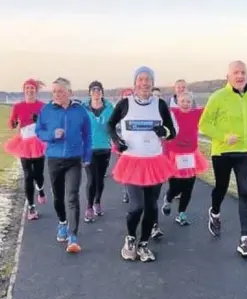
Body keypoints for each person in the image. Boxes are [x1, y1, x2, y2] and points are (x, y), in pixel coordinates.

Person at [108, 66, 176, 262]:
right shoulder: (125, 103)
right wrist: (117, 140)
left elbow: (172, 131)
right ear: (135, 83)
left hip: (154, 161)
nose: (144, 83)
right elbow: (110, 125)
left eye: (148, 79)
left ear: (153, 83)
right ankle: (130, 239)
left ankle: (144, 243)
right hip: (132, 161)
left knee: (151, 207)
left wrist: (164, 132)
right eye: (141, 79)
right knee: (136, 206)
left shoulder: (160, 104)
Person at [199, 61, 247, 258]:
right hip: (223, 151)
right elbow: (204, 125)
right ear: (228, 76)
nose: (240, 75)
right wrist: (224, 136)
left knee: (245, 191)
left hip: (246, 151)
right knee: (222, 187)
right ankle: (215, 212)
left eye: (243, 72)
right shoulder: (218, 97)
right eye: (236, 72)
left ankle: (245, 239)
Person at [36, 77, 92, 253]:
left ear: (69, 92)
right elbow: (39, 132)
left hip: (74, 159)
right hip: (54, 159)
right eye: (54, 92)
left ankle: (73, 236)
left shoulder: (80, 111)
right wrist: (52, 134)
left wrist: (87, 156)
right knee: (59, 197)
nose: (56, 95)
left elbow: (87, 136)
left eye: (60, 91)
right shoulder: (46, 110)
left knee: (72, 196)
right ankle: (62, 222)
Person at [162, 91, 209, 225]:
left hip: (191, 154)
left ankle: (182, 213)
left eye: (188, 101)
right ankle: (168, 199)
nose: (186, 104)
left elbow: (211, 108)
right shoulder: (172, 113)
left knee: (188, 187)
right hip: (175, 154)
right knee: (176, 186)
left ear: (192, 103)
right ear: (178, 102)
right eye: (183, 101)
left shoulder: (196, 113)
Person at [4, 79, 47, 220]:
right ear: (24, 91)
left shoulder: (43, 106)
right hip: (24, 143)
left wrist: (39, 119)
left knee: (39, 174)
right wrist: (14, 122)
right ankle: (31, 207)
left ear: (36, 91)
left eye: (32, 88)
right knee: (28, 176)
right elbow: (11, 124)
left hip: (39, 142)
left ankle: (40, 189)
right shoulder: (18, 106)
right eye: (27, 88)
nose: (29, 90)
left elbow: (49, 124)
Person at [82, 81, 114, 222]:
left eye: (99, 90)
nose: (96, 92)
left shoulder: (109, 108)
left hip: (104, 148)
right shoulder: (83, 108)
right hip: (89, 148)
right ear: (90, 92)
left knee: (100, 179)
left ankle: (97, 202)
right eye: (94, 90)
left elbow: (115, 124)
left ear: (102, 92)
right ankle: (89, 207)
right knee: (91, 179)